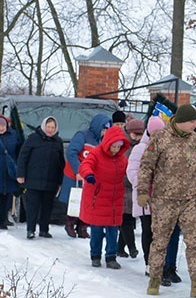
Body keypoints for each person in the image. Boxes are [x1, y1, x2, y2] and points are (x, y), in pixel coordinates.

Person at [137, 104, 196, 298]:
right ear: (181, 121)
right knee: (160, 242)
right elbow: (146, 166)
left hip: (189, 200)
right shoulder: (160, 138)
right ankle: (154, 279)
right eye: (193, 121)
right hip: (164, 200)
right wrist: (143, 191)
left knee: (194, 243)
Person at [127, 116, 183, 282]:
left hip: (164, 197)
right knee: (148, 231)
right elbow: (131, 171)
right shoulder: (140, 149)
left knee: (163, 233)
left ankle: (164, 266)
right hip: (146, 197)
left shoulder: (166, 147)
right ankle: (150, 265)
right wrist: (144, 182)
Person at [79, 124, 132, 269]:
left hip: (115, 200)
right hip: (98, 198)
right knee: (96, 230)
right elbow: (85, 165)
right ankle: (95, 255)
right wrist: (88, 174)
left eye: (118, 147)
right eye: (113, 147)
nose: (115, 150)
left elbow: (129, 171)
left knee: (112, 231)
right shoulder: (96, 153)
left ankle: (111, 257)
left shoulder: (122, 158)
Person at [61, 112, 112, 239]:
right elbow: (72, 152)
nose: (105, 132)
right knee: (75, 200)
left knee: (89, 202)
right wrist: (78, 171)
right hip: (75, 175)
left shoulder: (102, 142)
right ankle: (70, 223)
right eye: (103, 129)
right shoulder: (82, 136)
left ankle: (82, 226)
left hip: (90, 176)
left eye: (107, 130)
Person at [17, 116, 65, 239]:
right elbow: (23, 157)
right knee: (33, 206)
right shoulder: (33, 139)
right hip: (33, 179)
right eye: (48, 127)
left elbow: (61, 163)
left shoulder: (58, 142)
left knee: (47, 206)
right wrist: (20, 174)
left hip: (51, 180)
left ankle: (44, 229)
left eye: (52, 127)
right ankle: (30, 229)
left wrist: (60, 180)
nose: (50, 130)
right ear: (44, 126)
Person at [117, 118, 145, 258]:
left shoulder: (140, 146)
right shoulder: (123, 145)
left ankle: (120, 248)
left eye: (140, 135)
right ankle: (132, 247)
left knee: (128, 219)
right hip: (123, 185)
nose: (138, 138)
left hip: (133, 187)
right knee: (126, 218)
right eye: (135, 135)